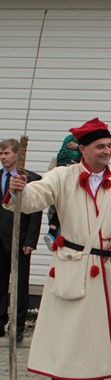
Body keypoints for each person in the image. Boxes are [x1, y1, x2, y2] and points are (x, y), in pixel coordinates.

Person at [5, 118, 111, 380]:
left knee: (98, 337)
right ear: (83, 149)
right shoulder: (62, 176)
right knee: (65, 336)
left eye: (109, 146)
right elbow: (33, 198)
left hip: (106, 271)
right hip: (72, 266)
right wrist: (19, 189)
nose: (107, 151)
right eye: (100, 146)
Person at [0, 138, 42, 342]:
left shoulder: (30, 179)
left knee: (19, 284)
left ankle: (17, 327)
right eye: (1, 154)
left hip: (20, 239)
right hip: (0, 239)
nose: (3, 157)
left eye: (7, 153)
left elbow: (35, 212)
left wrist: (30, 240)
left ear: (18, 154)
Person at [43, 132, 82, 248]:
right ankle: (53, 234)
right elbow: (49, 178)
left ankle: (52, 232)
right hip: (60, 202)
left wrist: (77, 168)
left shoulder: (84, 162)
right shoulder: (56, 160)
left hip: (77, 210)